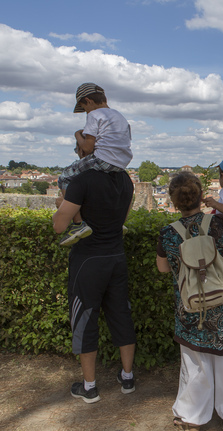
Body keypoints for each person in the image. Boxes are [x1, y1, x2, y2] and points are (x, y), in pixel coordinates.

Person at [156, 171, 223, 431]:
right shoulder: (222, 223)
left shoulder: (168, 234)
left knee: (195, 363)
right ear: (201, 197)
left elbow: (164, 269)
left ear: (174, 201)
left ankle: (193, 419)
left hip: (192, 308)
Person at [52, 161, 137, 404]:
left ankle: (90, 387)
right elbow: (124, 217)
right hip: (116, 257)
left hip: (88, 260)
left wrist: (61, 206)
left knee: (85, 317)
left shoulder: (82, 180)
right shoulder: (125, 180)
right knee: (121, 314)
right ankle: (127, 377)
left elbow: (59, 226)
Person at [57, 82, 133, 246]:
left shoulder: (94, 115)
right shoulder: (119, 116)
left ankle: (78, 224)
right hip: (121, 163)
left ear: (88, 101)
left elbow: (88, 148)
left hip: (103, 159)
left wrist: (77, 134)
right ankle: (118, 222)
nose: (85, 112)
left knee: (64, 178)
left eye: (84, 108)